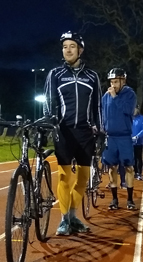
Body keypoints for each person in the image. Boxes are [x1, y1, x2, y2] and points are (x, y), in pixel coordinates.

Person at [43, 31, 102, 236]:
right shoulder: (55, 74)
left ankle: (73, 217)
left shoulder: (92, 76)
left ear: (80, 50)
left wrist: (100, 130)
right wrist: (51, 123)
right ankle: (64, 219)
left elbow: (98, 107)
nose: (67, 50)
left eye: (72, 46)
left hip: (86, 133)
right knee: (64, 178)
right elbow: (49, 103)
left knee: (84, 178)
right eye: (65, 46)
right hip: (64, 132)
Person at [101, 68, 137, 210]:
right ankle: (114, 199)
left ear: (123, 81)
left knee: (129, 167)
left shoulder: (130, 94)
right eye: (111, 81)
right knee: (112, 167)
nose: (113, 85)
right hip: (110, 137)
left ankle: (129, 199)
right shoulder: (106, 96)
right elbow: (102, 113)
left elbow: (128, 110)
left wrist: (115, 97)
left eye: (116, 81)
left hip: (124, 137)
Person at [132, 105, 143, 180]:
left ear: (137, 110)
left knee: (138, 158)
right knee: (132, 158)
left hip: (139, 142)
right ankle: (134, 172)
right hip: (130, 142)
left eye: (135, 109)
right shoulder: (129, 118)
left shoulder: (142, 118)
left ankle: (139, 173)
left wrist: (137, 136)